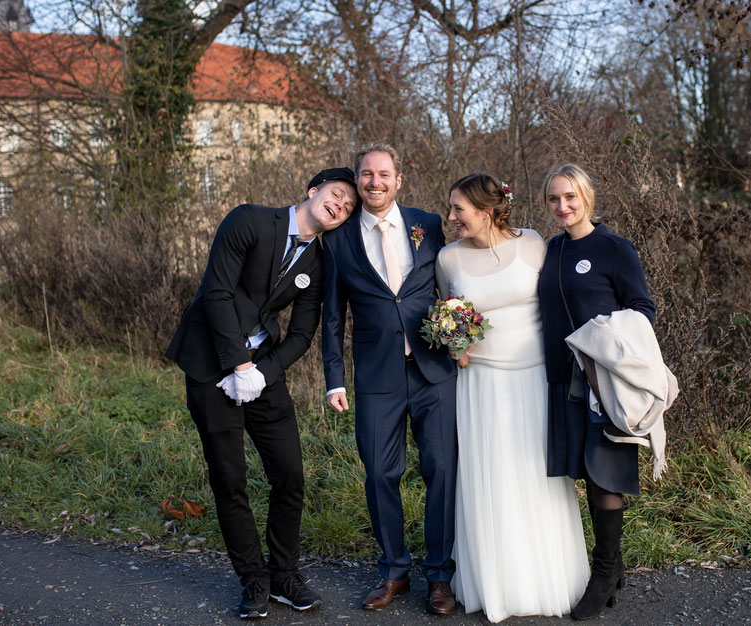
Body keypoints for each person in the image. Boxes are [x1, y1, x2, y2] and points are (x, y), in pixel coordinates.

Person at [165, 168, 358, 619]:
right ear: (313, 192)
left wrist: (259, 373)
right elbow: (216, 294)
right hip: (210, 363)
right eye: (335, 195)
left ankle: (284, 575)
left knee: (289, 474)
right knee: (229, 479)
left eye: (348, 206)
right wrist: (237, 364)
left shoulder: (320, 261)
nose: (340, 206)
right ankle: (253, 579)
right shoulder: (249, 220)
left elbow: (302, 335)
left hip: (263, 373)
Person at [435, 173, 590, 622]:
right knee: (491, 477)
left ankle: (550, 579)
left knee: (537, 476)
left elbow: (561, 301)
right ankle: (495, 583)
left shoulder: (535, 244)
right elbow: (450, 314)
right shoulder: (448, 258)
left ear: (485, 211)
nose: (451, 218)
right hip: (480, 383)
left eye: (458, 209)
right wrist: (454, 343)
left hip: (535, 379)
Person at [321, 143, 459, 615]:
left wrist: (464, 337)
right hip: (376, 374)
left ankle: (440, 577)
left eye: (383, 174)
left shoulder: (430, 225)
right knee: (380, 472)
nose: (374, 182)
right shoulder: (337, 239)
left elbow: (455, 283)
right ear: (358, 181)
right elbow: (333, 315)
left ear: (399, 180)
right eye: (366, 175)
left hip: (434, 369)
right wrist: (334, 378)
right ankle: (394, 571)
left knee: (441, 470)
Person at [536, 164, 656, 620]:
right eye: (553, 199)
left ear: (587, 197)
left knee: (606, 471)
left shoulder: (613, 249)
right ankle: (615, 562)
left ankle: (604, 571)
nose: (562, 206)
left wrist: (601, 339)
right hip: (560, 380)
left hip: (602, 381)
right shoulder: (551, 250)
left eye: (570, 197)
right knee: (582, 469)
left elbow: (642, 309)